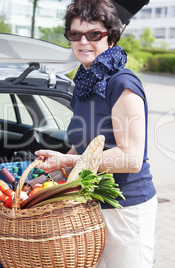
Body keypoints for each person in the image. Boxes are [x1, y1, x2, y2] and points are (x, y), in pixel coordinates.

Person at [34, 0, 157, 267]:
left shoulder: (122, 84)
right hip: (90, 205)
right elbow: (82, 147)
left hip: (126, 209)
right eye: (75, 34)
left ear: (110, 37)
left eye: (93, 34)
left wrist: (64, 162)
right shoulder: (84, 83)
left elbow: (130, 158)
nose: (83, 41)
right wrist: (47, 178)